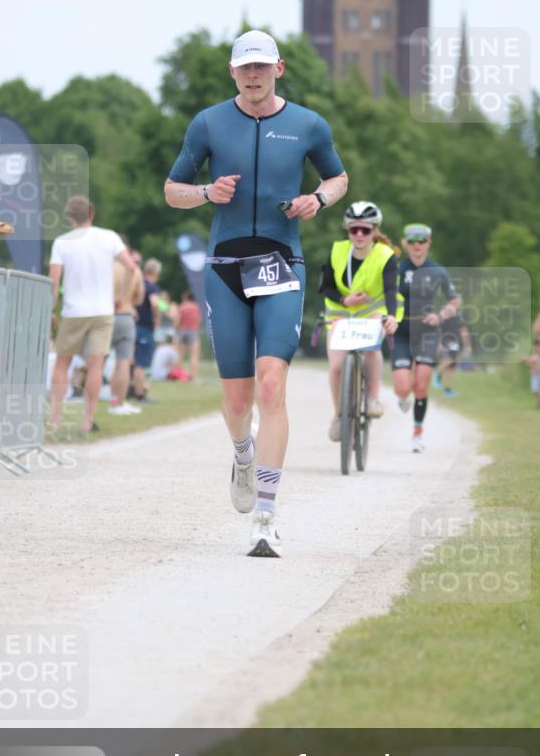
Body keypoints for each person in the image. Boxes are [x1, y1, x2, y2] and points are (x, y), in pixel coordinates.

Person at [165, 29, 348, 557]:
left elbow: (339, 179)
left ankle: (265, 516)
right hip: (224, 265)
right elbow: (172, 189)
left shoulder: (308, 124)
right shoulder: (208, 122)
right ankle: (243, 456)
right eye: (245, 67)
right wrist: (204, 192)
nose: (253, 75)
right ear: (232, 72)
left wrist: (319, 198)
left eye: (262, 67)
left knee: (272, 387)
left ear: (279, 68)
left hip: (279, 262)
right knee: (237, 399)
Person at [48, 196, 136, 432]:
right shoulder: (109, 236)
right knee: (95, 366)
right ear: (92, 214)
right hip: (103, 310)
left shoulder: (61, 242)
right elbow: (131, 266)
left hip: (73, 311)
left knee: (61, 364)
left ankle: (55, 419)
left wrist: (50, 309)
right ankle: (87, 421)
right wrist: (122, 297)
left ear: (69, 218)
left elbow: (54, 281)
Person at [319, 201, 400, 441]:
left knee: (372, 349)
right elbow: (325, 287)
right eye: (354, 229)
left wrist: (392, 317)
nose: (359, 234)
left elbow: (390, 290)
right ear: (347, 230)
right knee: (335, 365)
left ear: (375, 230)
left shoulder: (386, 255)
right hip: (341, 312)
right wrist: (345, 301)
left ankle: (373, 397)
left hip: (373, 311)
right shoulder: (337, 250)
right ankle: (339, 415)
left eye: (365, 229)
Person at [391, 223, 461, 452]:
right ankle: (402, 396)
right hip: (401, 331)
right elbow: (383, 295)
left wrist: (441, 315)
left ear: (429, 242)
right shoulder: (397, 268)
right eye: (412, 241)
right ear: (405, 243)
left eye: (421, 240)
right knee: (403, 388)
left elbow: (454, 300)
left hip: (427, 332)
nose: (417, 245)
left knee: (421, 387)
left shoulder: (438, 271)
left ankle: (417, 434)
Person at [109, 238, 145, 415]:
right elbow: (139, 299)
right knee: (123, 363)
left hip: (104, 316)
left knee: (97, 361)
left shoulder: (105, 266)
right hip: (126, 315)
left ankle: (93, 400)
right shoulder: (135, 270)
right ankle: (117, 403)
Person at [132, 258, 162, 402]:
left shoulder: (138, 284)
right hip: (145, 327)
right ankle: (140, 394)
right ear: (156, 273)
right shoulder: (151, 287)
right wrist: (157, 319)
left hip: (134, 325)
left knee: (131, 360)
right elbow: (155, 304)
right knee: (141, 363)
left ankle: (131, 390)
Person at [177, 289, 202, 381]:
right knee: (194, 355)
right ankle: (193, 376)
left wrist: (177, 329)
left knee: (180, 355)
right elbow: (199, 320)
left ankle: (178, 375)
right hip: (193, 331)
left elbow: (178, 320)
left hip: (183, 331)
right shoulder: (197, 307)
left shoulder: (183, 306)